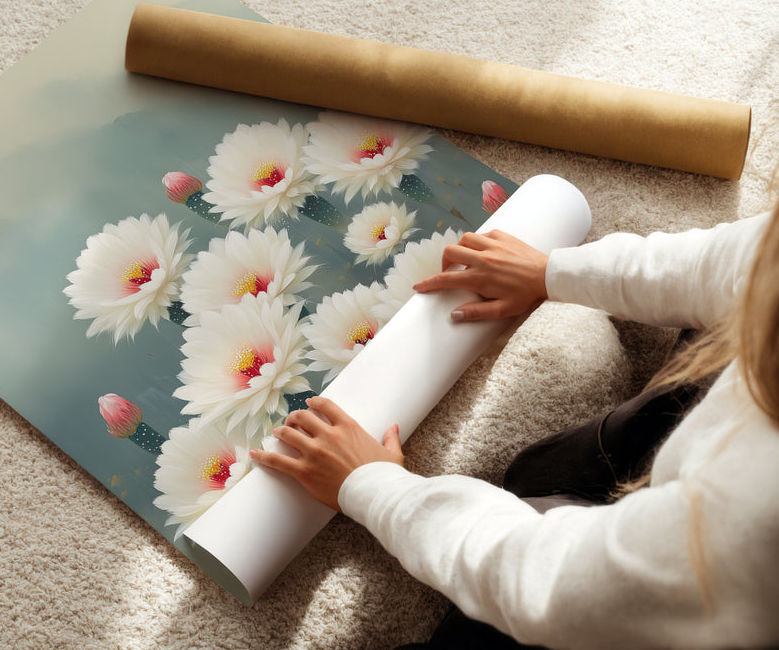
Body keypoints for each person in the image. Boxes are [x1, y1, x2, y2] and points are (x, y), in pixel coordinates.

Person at [251, 205, 779, 649]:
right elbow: (737, 260)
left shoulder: (753, 520)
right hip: (707, 497)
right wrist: (552, 272)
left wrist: (372, 486)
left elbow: (549, 583)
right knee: (542, 473)